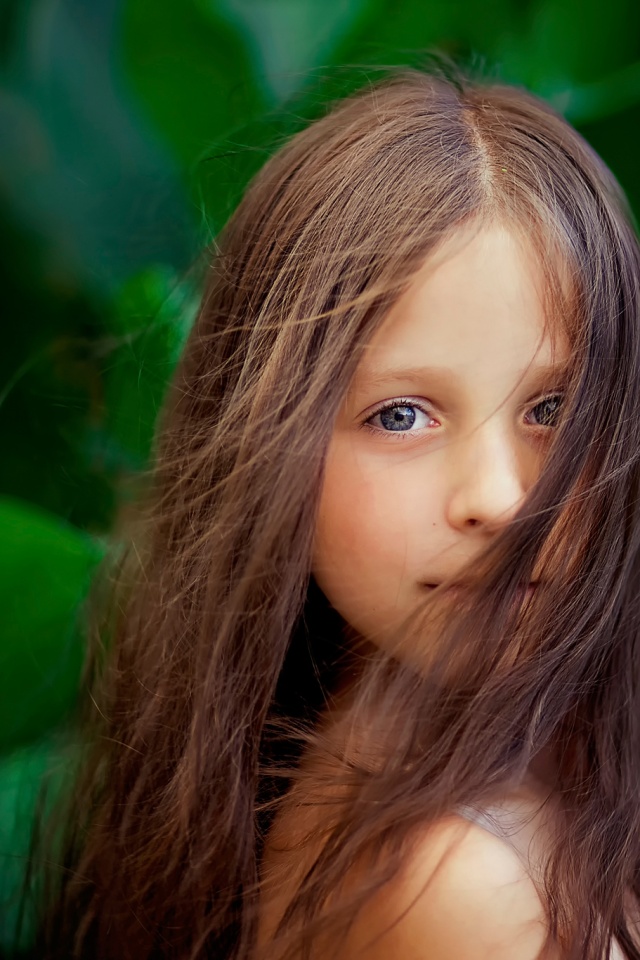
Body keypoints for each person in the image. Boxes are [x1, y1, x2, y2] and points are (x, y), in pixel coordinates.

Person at [27, 65, 640, 960]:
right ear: (269, 448)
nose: (500, 500)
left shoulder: (522, 758)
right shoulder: (458, 886)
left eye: (555, 409)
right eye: (401, 416)